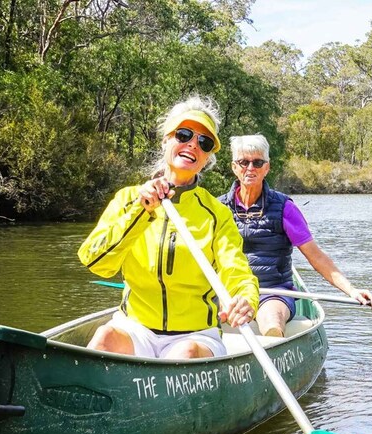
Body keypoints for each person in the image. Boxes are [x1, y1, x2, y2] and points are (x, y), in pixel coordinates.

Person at [78, 96, 258, 359]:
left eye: (204, 142)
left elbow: (237, 272)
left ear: (207, 157)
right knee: (104, 337)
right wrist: (142, 211)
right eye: (184, 134)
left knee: (184, 353)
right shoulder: (128, 199)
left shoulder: (216, 214)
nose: (192, 145)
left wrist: (246, 299)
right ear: (165, 140)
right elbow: (96, 262)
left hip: (195, 334)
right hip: (136, 328)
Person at [218, 134, 372, 338]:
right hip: (230, 291)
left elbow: (316, 256)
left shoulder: (285, 208)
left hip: (273, 292)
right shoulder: (218, 208)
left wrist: (352, 290)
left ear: (267, 168)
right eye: (244, 162)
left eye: (257, 162)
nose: (250, 168)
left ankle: (272, 360)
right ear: (234, 167)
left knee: (271, 320)